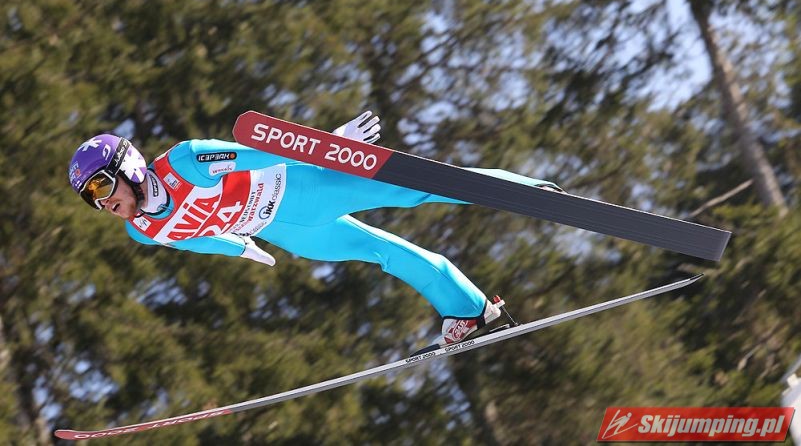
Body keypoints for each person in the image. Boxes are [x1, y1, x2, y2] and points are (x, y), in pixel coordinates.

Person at [68, 112, 562, 347]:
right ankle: (469, 310)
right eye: (91, 199)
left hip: (302, 188)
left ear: (128, 166)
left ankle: (527, 190)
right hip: (288, 232)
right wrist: (240, 248)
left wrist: (329, 145)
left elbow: (258, 152)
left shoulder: (186, 161)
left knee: (413, 188)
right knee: (381, 251)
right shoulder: (142, 232)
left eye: (102, 186)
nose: (103, 202)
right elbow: (196, 238)